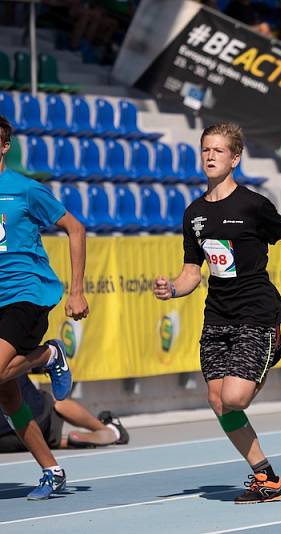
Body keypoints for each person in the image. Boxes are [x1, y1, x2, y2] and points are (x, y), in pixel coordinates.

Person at [153, 122, 281, 504]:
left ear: (235, 158)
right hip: (217, 316)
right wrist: (172, 290)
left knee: (235, 397)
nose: (210, 156)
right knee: (217, 401)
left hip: (257, 312)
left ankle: (272, 344)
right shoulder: (194, 213)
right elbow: (192, 272)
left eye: (218, 150)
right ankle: (266, 477)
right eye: (205, 150)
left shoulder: (253, 205)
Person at [0, 115, 89, 499]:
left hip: (27, 293)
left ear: (4, 146)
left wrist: (77, 290)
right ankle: (51, 470)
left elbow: (76, 228)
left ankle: (49, 354)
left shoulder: (24, 190)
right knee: (7, 395)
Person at [0, 375, 128, 452]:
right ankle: (110, 431)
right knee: (54, 403)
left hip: (8, 439)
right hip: (36, 415)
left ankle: (63, 441)